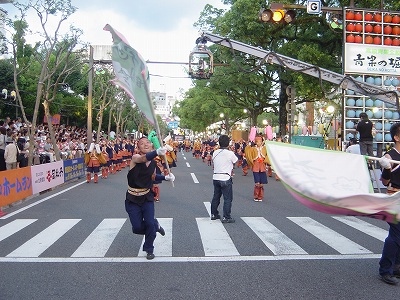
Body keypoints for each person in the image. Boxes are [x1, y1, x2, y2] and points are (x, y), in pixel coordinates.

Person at [125, 137, 175, 259]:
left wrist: (165, 178)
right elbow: (143, 158)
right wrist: (157, 152)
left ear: (152, 145)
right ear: (138, 148)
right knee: (136, 227)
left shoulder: (153, 162)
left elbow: (152, 177)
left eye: (147, 142)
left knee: (149, 223)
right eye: (142, 143)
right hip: (132, 198)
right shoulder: (136, 158)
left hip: (147, 197)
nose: (145, 144)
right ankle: (155, 225)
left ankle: (149, 248)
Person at [378, 122, 400, 285]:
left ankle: (396, 266)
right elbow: (385, 182)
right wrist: (386, 168)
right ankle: (386, 269)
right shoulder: (389, 156)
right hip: (395, 197)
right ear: (396, 137)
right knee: (396, 234)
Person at [210, 135, 238, 223]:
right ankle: (226, 217)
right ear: (228, 143)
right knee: (227, 198)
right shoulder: (230, 153)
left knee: (216, 197)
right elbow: (236, 161)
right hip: (225, 177)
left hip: (216, 177)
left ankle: (214, 214)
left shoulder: (215, 152)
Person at [245, 135, 270, 202]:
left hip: (262, 166)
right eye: (257, 141)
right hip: (256, 166)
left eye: (260, 141)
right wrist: (250, 143)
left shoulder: (265, 148)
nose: (259, 143)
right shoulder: (253, 148)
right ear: (255, 142)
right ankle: (256, 196)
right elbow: (247, 152)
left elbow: (269, 153)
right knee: (257, 183)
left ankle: (260, 196)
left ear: (262, 142)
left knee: (261, 183)